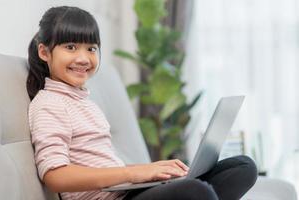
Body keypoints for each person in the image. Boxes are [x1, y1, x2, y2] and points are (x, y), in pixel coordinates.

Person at [27, 6, 257, 200]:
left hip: (124, 191)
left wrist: (150, 173)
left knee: (243, 168)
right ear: (44, 52)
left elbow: (105, 165)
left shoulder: (83, 101)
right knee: (197, 191)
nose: (83, 58)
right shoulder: (49, 104)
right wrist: (135, 173)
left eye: (91, 48)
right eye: (70, 47)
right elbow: (55, 176)